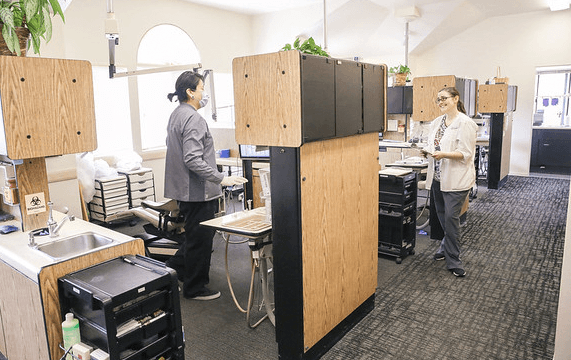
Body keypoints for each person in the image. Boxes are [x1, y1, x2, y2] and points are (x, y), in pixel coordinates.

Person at [164, 71, 247, 300]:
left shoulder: (177, 114)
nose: (204, 93)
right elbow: (192, 158)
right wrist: (222, 178)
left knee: (193, 237)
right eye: (201, 88)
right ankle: (195, 288)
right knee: (200, 241)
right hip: (197, 192)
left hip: (185, 190)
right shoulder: (193, 118)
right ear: (190, 92)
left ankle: (174, 270)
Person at [421, 87, 477, 278]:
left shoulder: (465, 123)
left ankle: (454, 260)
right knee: (443, 218)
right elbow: (433, 145)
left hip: (457, 180)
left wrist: (443, 154)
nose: (440, 102)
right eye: (438, 99)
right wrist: (427, 151)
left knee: (451, 222)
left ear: (455, 99)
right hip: (438, 178)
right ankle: (445, 247)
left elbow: (466, 154)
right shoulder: (437, 122)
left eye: (444, 98)